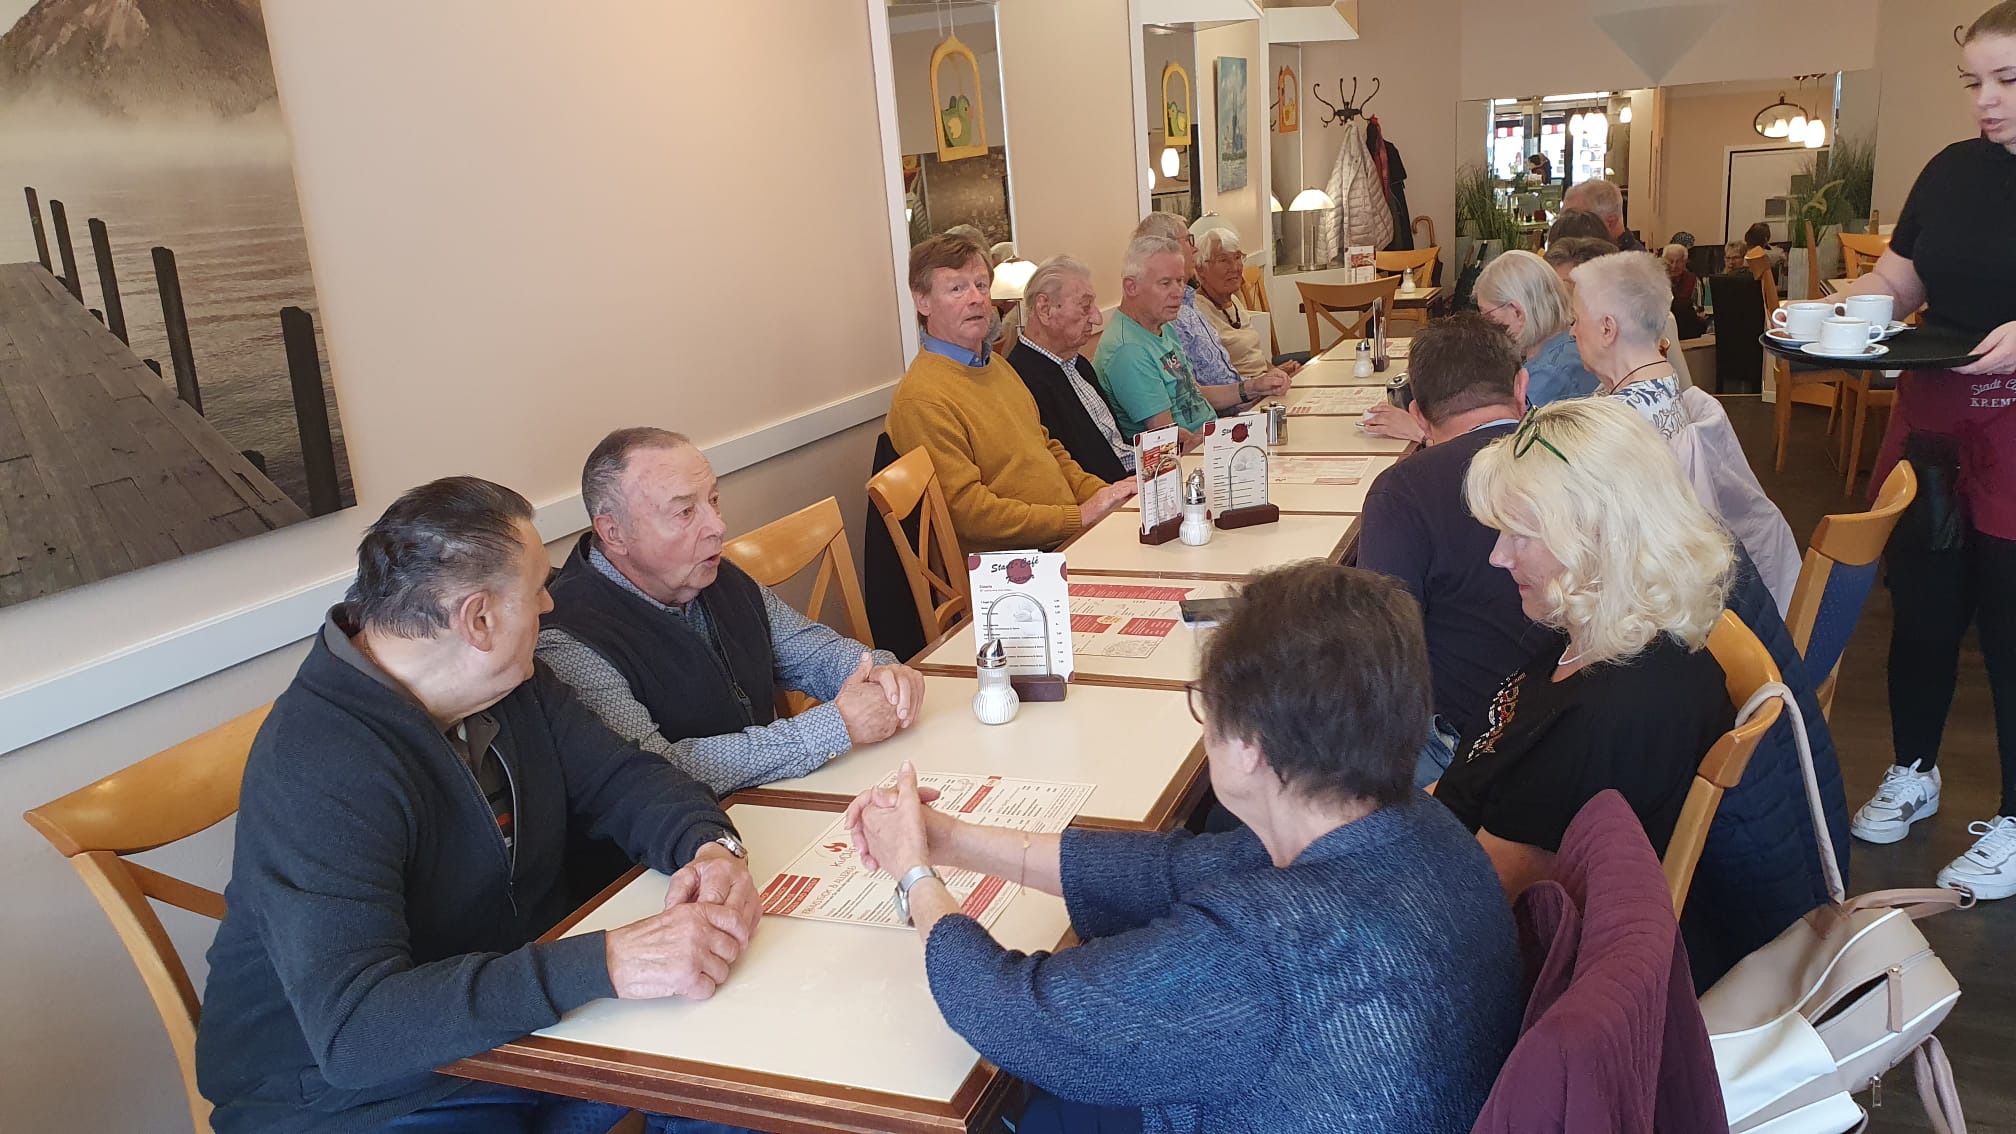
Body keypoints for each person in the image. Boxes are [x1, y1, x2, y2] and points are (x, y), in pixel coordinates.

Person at [845, 562, 1522, 1133]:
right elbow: (1173, 870)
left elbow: (1020, 1016)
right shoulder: (1406, 820)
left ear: (1251, 748)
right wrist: (948, 839)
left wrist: (914, 877)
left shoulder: (1258, 953)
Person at [197, 477, 761, 1134]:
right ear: (478, 619)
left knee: (746, 1091)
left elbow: (627, 781)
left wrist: (710, 847)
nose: (550, 604)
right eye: (537, 588)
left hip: (521, 1036)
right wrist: (608, 961)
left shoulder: (512, 684)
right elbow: (357, 1032)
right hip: (365, 1098)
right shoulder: (318, 763)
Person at [1834, 0, 2016, 899]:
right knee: (1926, 607)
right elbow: (1903, 274)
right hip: (1936, 413)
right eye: (1975, 83)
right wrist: (1847, 306)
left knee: (2011, 619)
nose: (1987, 101)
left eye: (2008, 81)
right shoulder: (1950, 171)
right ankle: (1915, 766)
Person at [1438, 398, 1735, 898]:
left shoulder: (1607, 723)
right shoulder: (1598, 636)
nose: (1497, 556)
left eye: (1521, 535)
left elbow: (1483, 903)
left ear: (1602, 538)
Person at [539, 429, 926, 798]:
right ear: (614, 533)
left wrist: (880, 673)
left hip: (764, 804)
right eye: (685, 512)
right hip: (668, 855)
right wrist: (835, 726)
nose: (718, 526)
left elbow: (813, 652)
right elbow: (653, 769)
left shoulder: (712, 575)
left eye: (714, 500)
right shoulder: (570, 636)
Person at [1358, 314, 1550, 778]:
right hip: (1574, 724)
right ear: (1521, 386)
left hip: (1466, 751)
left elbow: (1380, 655)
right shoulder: (1576, 454)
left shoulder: (1402, 491)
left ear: (1418, 415)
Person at [1568, 251, 1801, 611]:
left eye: (1576, 320)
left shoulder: (1615, 425)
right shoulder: (1668, 385)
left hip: (1638, 601)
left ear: (1607, 328)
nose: (1571, 331)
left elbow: (1577, 538)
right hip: (1672, 576)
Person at [888, 232, 1137, 552]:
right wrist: (1080, 515)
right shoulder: (922, 399)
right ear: (923, 302)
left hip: (1068, 537)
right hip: (1014, 568)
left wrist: (1108, 495)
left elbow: (1048, 448)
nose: (976, 298)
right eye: (956, 288)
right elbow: (970, 514)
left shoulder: (998, 367)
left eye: (980, 285)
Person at [1095, 234, 1254, 450]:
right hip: (1188, 459)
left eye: (1180, 281)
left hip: (1211, 438)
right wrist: (1221, 436)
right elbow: (1167, 442)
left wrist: (1254, 387)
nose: (1178, 292)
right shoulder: (1128, 350)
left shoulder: (1161, 324)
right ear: (1131, 287)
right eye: (1165, 283)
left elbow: (1194, 392)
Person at [1134, 212, 1292, 406]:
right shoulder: (1169, 315)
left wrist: (1268, 378)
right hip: (1231, 412)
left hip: (1248, 399)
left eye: (1237, 258)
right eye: (1188, 240)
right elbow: (1189, 397)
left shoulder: (1190, 304)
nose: (1194, 250)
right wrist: (1254, 387)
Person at [1007, 256, 1135, 483]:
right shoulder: (1022, 381)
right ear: (1044, 309)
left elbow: (1115, 450)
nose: (1096, 318)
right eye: (1085, 307)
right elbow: (1069, 476)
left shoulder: (1077, 363)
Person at [1191, 224, 1306, 380]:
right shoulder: (1196, 312)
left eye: (1238, 257)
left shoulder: (1233, 301)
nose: (1235, 267)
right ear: (1200, 269)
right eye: (1223, 260)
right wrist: (1262, 381)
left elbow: (1250, 356)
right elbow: (1217, 377)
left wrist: (1274, 371)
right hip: (1244, 395)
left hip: (1262, 385)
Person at [1561, 178, 1645, 251]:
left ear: (1610, 222)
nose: (1568, 228)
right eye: (1565, 219)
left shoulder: (1631, 265)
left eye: (1580, 220)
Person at [1664, 242, 1707, 339]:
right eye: (1670, 261)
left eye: (1678, 261)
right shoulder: (1658, 281)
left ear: (1685, 262)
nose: (1674, 266)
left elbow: (1698, 311)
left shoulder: (1693, 281)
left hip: (1687, 332)